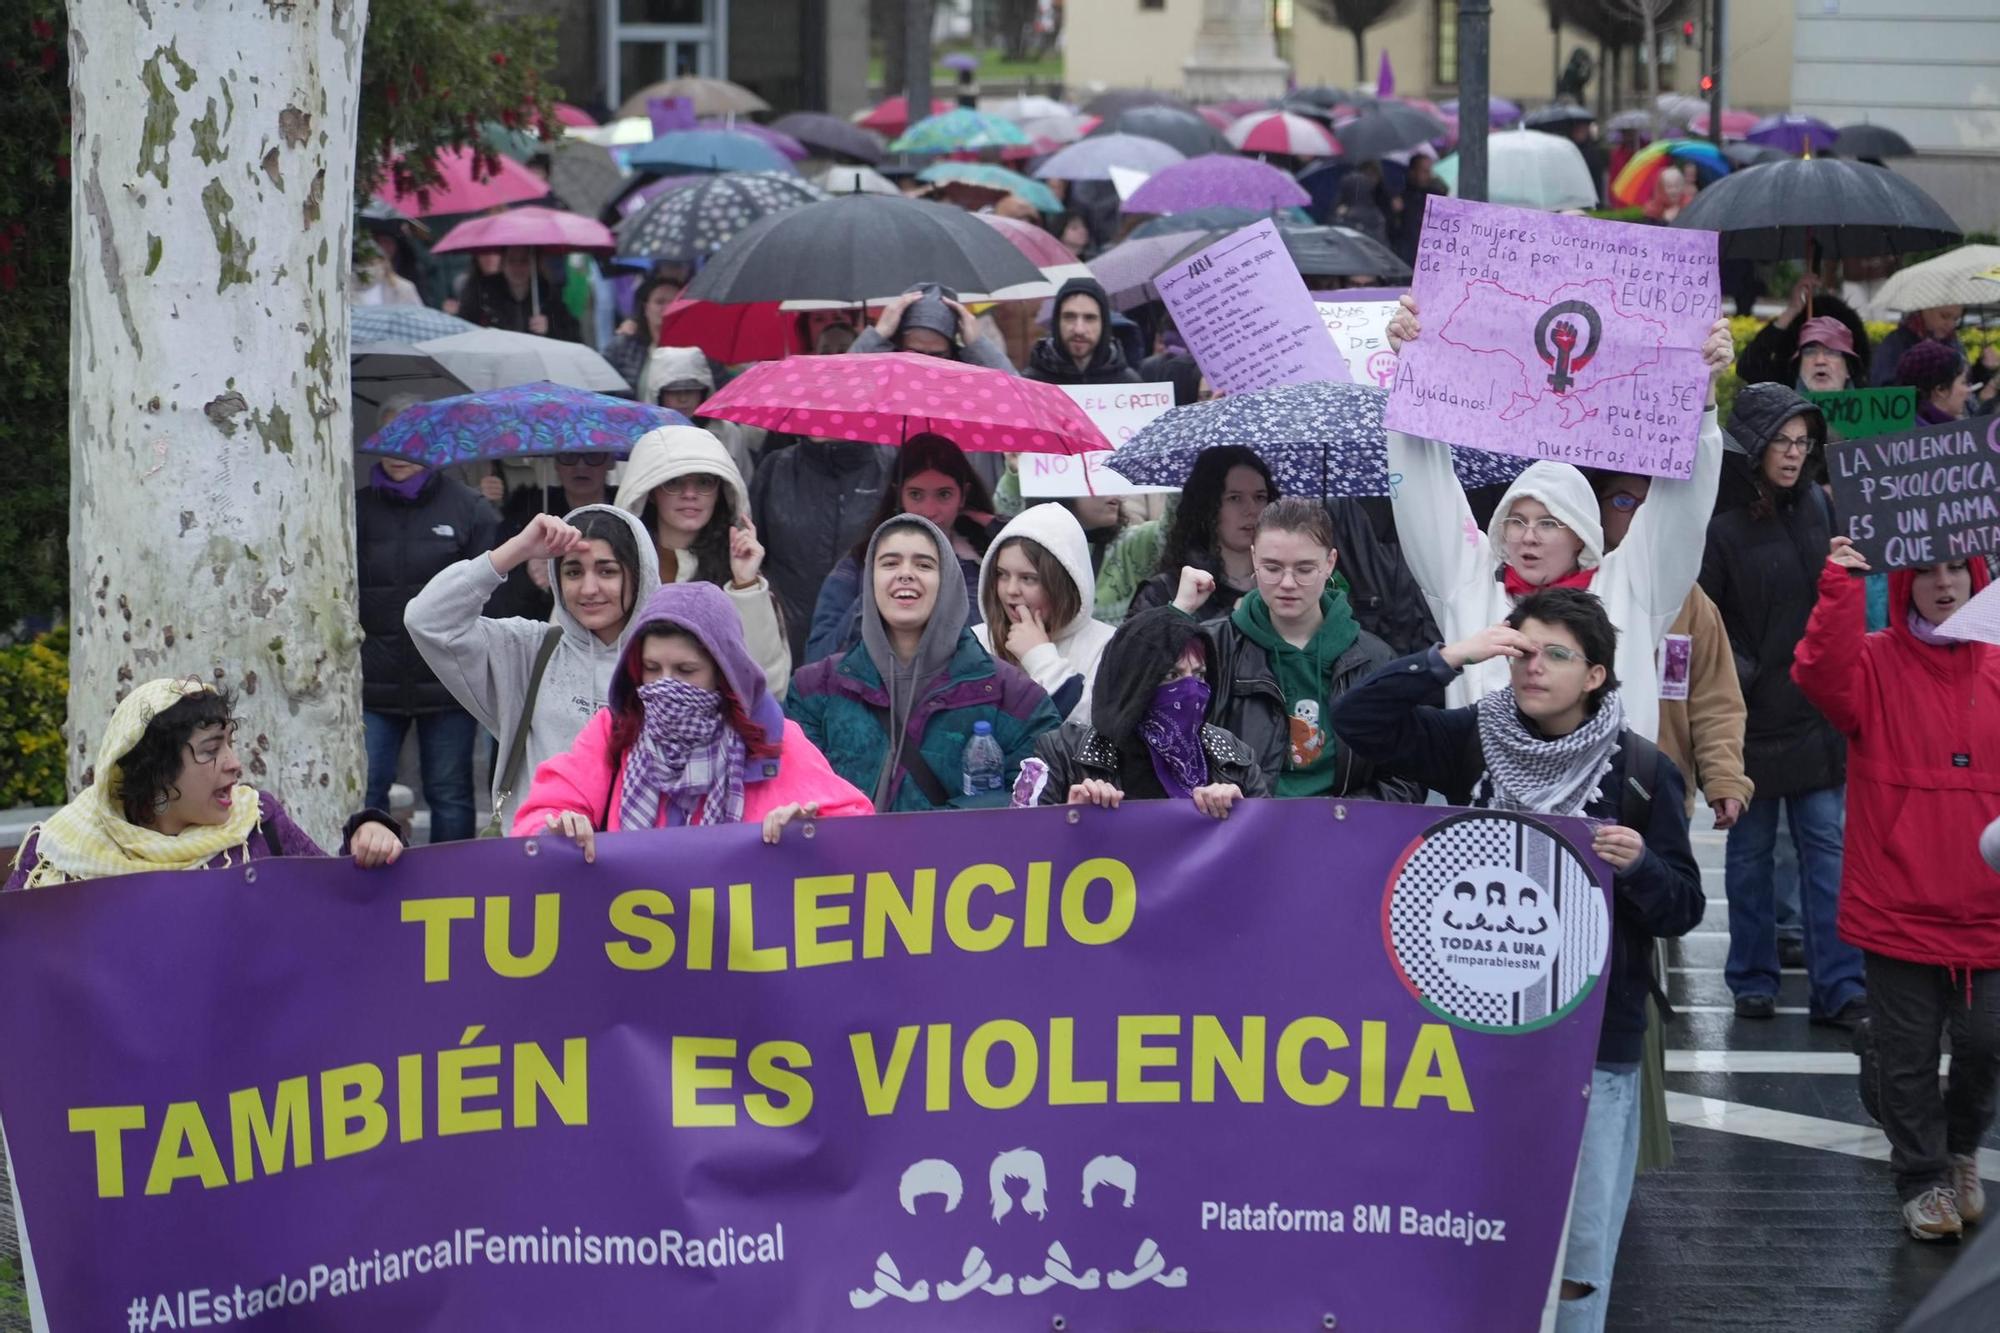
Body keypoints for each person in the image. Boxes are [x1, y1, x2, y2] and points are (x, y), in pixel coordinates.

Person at [1329, 588, 1704, 1333]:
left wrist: (1639, 869)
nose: (1533, 668)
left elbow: (1683, 905)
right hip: (1469, 1036)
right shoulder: (1471, 735)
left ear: (1596, 674)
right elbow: (1357, 720)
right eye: (1521, 650)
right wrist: (1450, 658)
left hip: (1593, 1037)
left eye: (1555, 655)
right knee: (1467, 1223)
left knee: (1581, 1240)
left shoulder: (1640, 771)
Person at [1384, 295, 1734, 742]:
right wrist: (1413, 371)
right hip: (1495, 808)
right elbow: (1423, 493)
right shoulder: (1469, 589)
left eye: (1549, 523)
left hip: (1602, 810)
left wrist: (1700, 396)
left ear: (1582, 535)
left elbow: (1682, 509)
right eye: (1517, 520)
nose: (1528, 536)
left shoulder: (1632, 587)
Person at [1794, 540, 2000, 1242]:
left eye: (1957, 570)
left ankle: (1962, 1145)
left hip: (1989, 905)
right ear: (1904, 579)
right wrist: (1841, 582)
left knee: (1986, 1043)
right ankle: (1922, 1177)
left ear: (1978, 576)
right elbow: (1819, 673)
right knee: (1910, 1055)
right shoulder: (1875, 661)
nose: (1943, 584)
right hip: (1898, 900)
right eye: (1928, 571)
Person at [1699, 383, 1866, 1028]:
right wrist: (1740, 680)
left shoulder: (1822, 510)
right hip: (1749, 717)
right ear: (1756, 446)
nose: (1794, 455)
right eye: (1782, 442)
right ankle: (1751, 978)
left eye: (1804, 443)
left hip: (1814, 716)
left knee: (1827, 854)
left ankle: (1840, 986)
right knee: (1749, 858)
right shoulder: (1721, 525)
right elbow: (1706, 623)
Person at [514, 582, 874, 853]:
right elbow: (538, 816)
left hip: (740, 943)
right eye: (653, 668)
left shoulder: (772, 740)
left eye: (686, 670)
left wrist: (811, 832)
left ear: (724, 672)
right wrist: (557, 828)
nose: (666, 685)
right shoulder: (615, 729)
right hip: (632, 936)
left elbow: (856, 830)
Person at [5, 679, 405, 890]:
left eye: (230, 743)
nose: (234, 765)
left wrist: (369, 834)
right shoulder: (58, 855)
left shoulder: (258, 824)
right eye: (211, 750)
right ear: (156, 770)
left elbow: (336, 904)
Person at [406, 506, 661, 834]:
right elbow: (427, 620)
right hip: (537, 867)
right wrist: (517, 550)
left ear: (639, 575)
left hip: (641, 872)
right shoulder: (530, 651)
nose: (588, 589)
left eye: (607, 571)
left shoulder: (669, 662)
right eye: (572, 572)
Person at [788, 514, 1061, 812]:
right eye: (890, 563)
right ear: (869, 580)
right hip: (845, 858)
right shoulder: (813, 691)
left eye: (924, 565)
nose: (905, 574)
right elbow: (796, 788)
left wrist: (926, 833)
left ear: (949, 582)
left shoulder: (1015, 698)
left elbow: (1037, 797)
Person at [1175, 498, 1415, 800]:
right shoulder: (1213, 647)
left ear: (1330, 563)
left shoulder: (1375, 659)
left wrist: (1339, 818)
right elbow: (1158, 731)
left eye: (1304, 569)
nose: (1287, 583)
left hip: (1341, 836)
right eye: (1272, 568)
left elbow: (1405, 777)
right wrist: (1178, 612)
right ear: (1253, 559)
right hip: (1240, 831)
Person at [1594, 473, 1752, 829]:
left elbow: (1716, 698)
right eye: (1623, 501)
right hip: (1587, 792)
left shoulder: (1690, 601)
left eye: (1652, 504)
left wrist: (1724, 777)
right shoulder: (1573, 586)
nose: (1640, 514)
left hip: (1663, 792)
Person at [356, 450, 499, 843]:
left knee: (449, 794)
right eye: (390, 447)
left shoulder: (470, 509)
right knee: (366, 793)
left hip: (448, 681)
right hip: (375, 682)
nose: (397, 458)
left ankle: (452, 884)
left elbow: (491, 597)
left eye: (410, 450)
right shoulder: (356, 508)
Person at [1032, 607, 1268, 815]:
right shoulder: (1061, 752)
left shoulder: (1233, 757)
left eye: (1199, 675)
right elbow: (1018, 846)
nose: (1191, 691)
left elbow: (1272, 850)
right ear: (1133, 683)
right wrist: (1067, 817)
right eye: (1171, 676)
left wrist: (1242, 815)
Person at [613, 425, 789, 699]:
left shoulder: (740, 571)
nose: (690, 494)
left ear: (721, 491)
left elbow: (768, 686)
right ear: (650, 490)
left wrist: (745, 585)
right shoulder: (614, 566)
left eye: (705, 482)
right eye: (674, 482)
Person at [806, 434, 1001, 663]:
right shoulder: (858, 565)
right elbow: (818, 659)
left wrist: (994, 524)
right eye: (916, 494)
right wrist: (873, 600)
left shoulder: (988, 564)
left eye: (944, 494)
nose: (929, 510)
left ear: (963, 495)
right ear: (898, 494)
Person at [751, 434, 897, 668]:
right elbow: (754, 555)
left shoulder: (891, 468)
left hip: (866, 647)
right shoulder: (775, 468)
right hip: (786, 643)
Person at [972, 504, 1116, 723]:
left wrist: (1039, 657)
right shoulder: (975, 642)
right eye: (1002, 574)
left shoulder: (1108, 645)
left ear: (1064, 583)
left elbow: (1094, 730)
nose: (1011, 590)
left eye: (1028, 578)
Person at [1128, 447, 1276, 625]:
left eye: (1260, 497)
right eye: (1235, 498)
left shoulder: (1288, 586)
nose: (1251, 510)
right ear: (1207, 507)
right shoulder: (1164, 592)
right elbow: (1135, 650)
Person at [482, 448, 622, 622]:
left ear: (610, 461)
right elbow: (496, 602)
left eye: (594, 455)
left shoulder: (632, 511)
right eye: (569, 456)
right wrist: (528, 577)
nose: (581, 466)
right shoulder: (525, 513)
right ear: (555, 462)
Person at [637, 346, 759, 482]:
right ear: (659, 394)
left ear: (703, 392)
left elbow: (745, 483)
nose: (683, 399)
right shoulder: (643, 436)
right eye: (673, 392)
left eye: (690, 390)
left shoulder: (728, 432)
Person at [1736, 278, 1871, 390]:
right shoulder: (1783, 397)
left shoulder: (1870, 409)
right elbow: (1749, 366)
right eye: (1810, 351)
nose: (1820, 361)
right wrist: (1791, 311)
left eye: (1832, 352)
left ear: (1849, 367)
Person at [852, 283, 1016, 372]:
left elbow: (1014, 391)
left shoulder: (966, 373)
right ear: (899, 344)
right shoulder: (883, 370)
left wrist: (977, 344)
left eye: (938, 355)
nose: (927, 363)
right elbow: (844, 381)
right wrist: (879, 334)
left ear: (952, 351)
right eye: (915, 353)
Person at [1024, 276, 1140, 386]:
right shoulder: (1030, 384)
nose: (1079, 330)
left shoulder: (1129, 384)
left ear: (1103, 324)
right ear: (1057, 321)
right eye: (1069, 317)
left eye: (1089, 318)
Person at [457, 247, 582, 343]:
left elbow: (574, 336)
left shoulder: (548, 295)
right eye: (512, 261)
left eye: (524, 261)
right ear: (503, 264)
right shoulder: (482, 293)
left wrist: (550, 329)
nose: (517, 267)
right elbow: (464, 330)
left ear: (534, 264)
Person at [601, 270, 684, 392]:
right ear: (646, 308)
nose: (667, 308)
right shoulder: (624, 345)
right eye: (659, 302)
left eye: (673, 302)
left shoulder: (698, 349)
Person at [1871, 303, 1964, 389]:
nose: (1951, 324)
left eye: (1956, 319)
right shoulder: (1896, 342)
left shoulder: (1954, 343)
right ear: (1926, 310)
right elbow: (1884, 388)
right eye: (1945, 316)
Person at [1895, 342, 1973, 424]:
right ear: (1940, 389)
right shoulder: (1927, 432)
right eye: (1963, 382)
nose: (1968, 390)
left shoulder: (1901, 426)